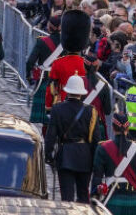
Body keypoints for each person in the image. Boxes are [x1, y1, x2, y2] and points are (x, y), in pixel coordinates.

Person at [44, 74, 103, 203]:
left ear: (68, 91)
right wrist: (94, 160)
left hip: (65, 155)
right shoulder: (90, 111)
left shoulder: (57, 109)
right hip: (85, 156)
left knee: (66, 197)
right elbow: (96, 139)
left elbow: (50, 136)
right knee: (83, 195)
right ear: (81, 93)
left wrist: (49, 155)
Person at [91, 113, 136, 215]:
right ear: (128, 128)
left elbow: (97, 178)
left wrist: (94, 199)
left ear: (113, 128)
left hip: (111, 199)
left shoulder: (103, 148)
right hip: (134, 201)